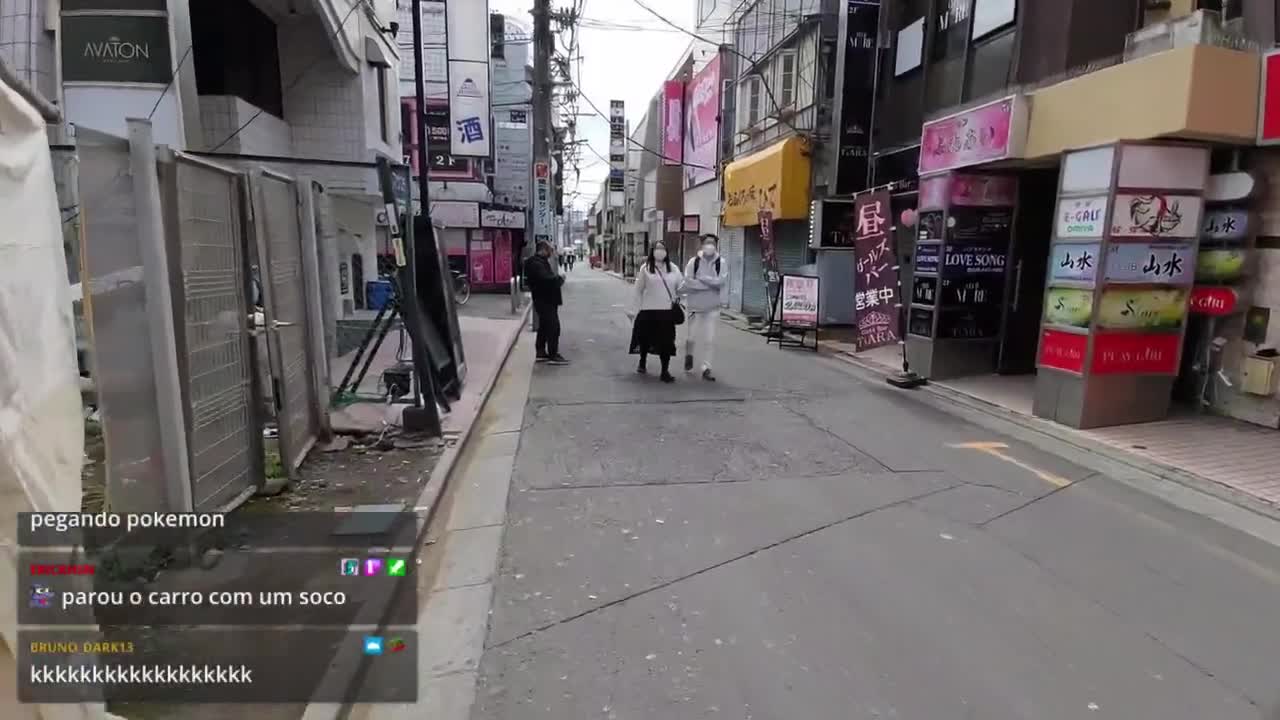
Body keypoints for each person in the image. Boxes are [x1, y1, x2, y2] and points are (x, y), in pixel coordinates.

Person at [628, 241, 684, 382]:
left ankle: (665, 371)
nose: (660, 251)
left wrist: (681, 300)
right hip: (648, 311)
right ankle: (642, 361)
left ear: (667, 251)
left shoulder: (674, 269)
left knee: (666, 343)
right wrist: (633, 310)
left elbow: (682, 288)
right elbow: (638, 290)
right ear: (652, 251)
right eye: (657, 248)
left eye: (663, 248)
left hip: (666, 313)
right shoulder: (645, 269)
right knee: (645, 340)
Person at [682, 234, 728, 381]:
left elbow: (721, 281)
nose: (710, 245)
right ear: (702, 245)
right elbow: (688, 282)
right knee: (691, 337)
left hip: (712, 307)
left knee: (710, 340)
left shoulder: (721, 262)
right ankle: (689, 355)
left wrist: (702, 279)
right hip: (695, 306)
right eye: (707, 243)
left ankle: (706, 367)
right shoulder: (693, 262)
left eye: (713, 243)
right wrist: (709, 285)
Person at [523, 241, 568, 364]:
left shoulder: (539, 262)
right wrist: (560, 279)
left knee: (544, 326)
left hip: (546, 300)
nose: (551, 253)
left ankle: (541, 352)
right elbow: (546, 280)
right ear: (543, 250)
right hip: (544, 300)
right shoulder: (536, 264)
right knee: (553, 327)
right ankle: (553, 354)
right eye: (549, 250)